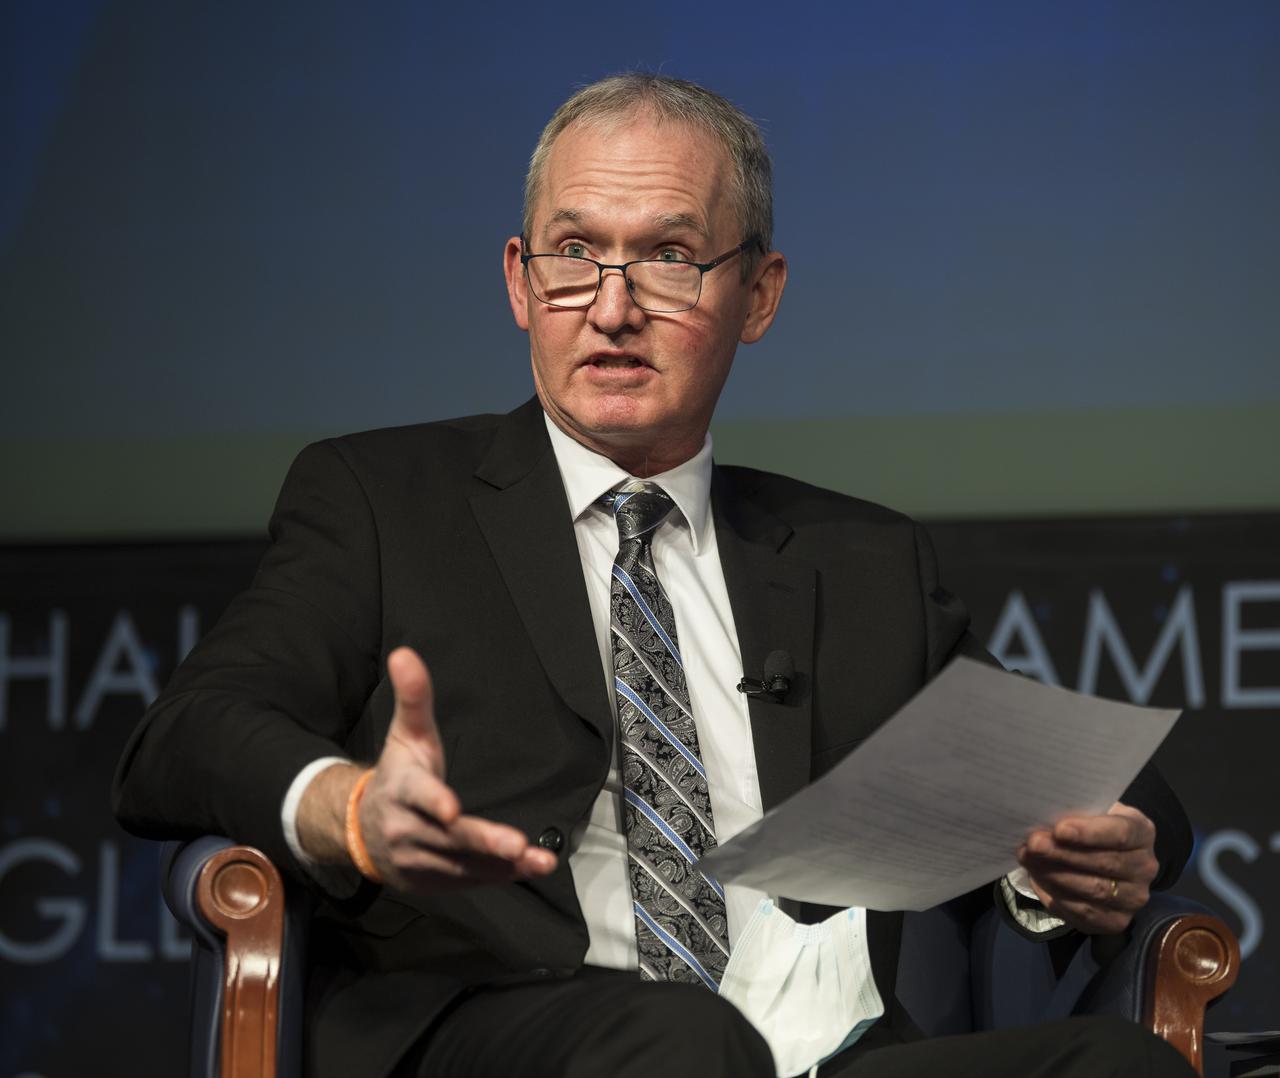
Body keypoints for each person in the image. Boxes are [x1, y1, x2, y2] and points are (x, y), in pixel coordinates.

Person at [114, 75, 1195, 1078]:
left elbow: (1077, 774)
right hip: (506, 1030)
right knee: (682, 1040)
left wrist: (1081, 847)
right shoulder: (381, 499)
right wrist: (347, 809)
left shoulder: (857, 558)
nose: (612, 306)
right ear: (517, 281)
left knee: (1119, 1067)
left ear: (758, 294)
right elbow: (187, 733)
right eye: (573, 252)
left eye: (669, 257)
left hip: (823, 1049)